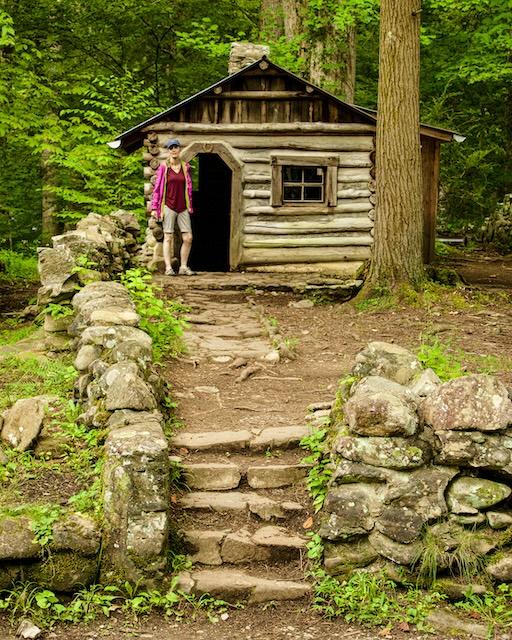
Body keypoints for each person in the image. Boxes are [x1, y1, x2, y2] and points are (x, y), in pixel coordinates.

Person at [150, 138, 195, 275]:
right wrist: (154, 207)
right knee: (168, 237)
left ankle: (183, 267)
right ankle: (169, 268)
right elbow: (157, 189)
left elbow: (189, 187)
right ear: (168, 151)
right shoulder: (164, 168)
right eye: (171, 148)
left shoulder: (185, 167)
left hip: (183, 207)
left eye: (176, 147)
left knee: (188, 238)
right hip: (168, 205)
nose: (174, 149)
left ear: (179, 149)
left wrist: (190, 205)